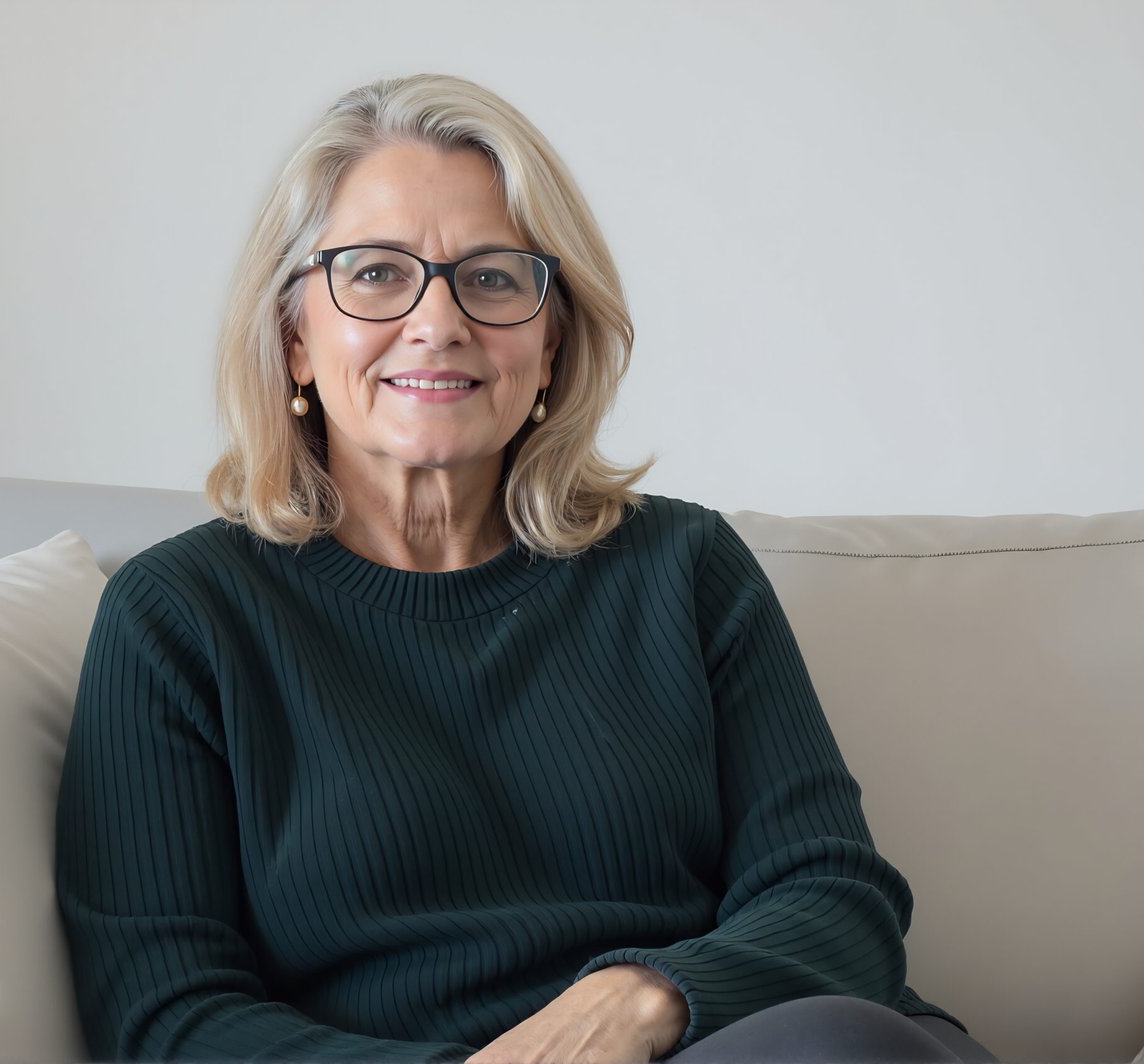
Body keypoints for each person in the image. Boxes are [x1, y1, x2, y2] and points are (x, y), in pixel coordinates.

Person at [54, 74, 999, 1063]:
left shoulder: (684, 568)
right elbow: (164, 1015)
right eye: (375, 273)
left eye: (494, 276)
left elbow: (835, 900)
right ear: (295, 335)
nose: (438, 319)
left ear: (551, 342)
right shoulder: (182, 616)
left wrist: (636, 1000)